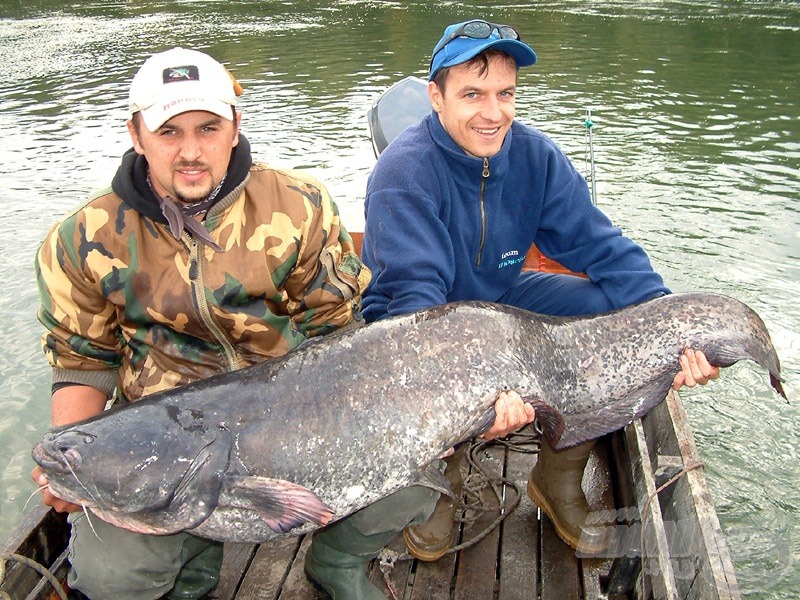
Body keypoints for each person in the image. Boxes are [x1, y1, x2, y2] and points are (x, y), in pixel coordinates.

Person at [355, 18, 720, 577]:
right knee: (424, 377)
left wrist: (669, 325)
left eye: (506, 95)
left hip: (501, 298)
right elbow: (416, 312)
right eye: (472, 94)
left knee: (611, 311)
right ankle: (439, 482)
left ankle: (557, 475)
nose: (492, 113)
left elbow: (602, 247)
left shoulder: (533, 156)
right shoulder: (403, 174)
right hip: (416, 326)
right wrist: (481, 391)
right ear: (437, 97)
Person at [31, 47, 371, 600]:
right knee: (112, 579)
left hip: (292, 414)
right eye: (168, 132)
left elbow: (339, 331)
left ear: (234, 128)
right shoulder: (81, 238)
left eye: (208, 128)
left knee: (413, 474)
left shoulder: (300, 205)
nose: (191, 151)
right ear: (136, 134)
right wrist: (77, 460)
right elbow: (81, 362)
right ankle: (190, 570)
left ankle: (338, 562)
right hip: (162, 437)